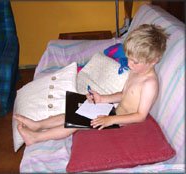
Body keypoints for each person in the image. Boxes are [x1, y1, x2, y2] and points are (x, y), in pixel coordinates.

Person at [15, 24, 169, 146]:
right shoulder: (136, 71)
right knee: (74, 110)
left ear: (153, 60)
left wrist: (111, 120)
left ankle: (36, 137)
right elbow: (124, 94)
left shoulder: (150, 83)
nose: (129, 64)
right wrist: (102, 99)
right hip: (113, 112)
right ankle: (38, 125)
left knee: (76, 123)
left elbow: (141, 116)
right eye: (128, 58)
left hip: (121, 123)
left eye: (134, 62)